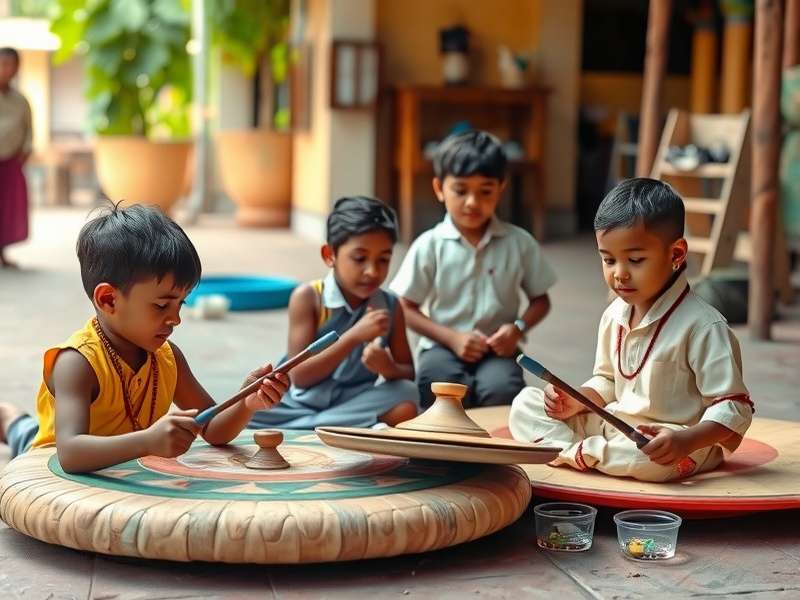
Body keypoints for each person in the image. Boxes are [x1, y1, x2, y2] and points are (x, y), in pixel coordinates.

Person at [0, 203, 288, 473]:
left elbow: (211, 429)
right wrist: (147, 441)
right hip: (51, 463)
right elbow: (71, 454)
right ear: (109, 299)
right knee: (24, 433)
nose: (175, 319)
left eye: (181, 305)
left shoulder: (167, 357)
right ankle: (8, 417)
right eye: (162, 306)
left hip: (120, 471)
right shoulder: (77, 362)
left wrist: (245, 402)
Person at [510, 178, 754, 482]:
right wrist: (576, 399)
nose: (619, 273)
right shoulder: (614, 314)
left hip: (671, 443)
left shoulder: (704, 326)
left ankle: (571, 452)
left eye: (635, 260)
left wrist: (685, 441)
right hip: (614, 425)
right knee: (524, 405)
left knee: (649, 461)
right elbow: (607, 380)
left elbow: (734, 405)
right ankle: (591, 453)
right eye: (608, 260)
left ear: (676, 254)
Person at [390, 130, 556, 408]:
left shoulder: (519, 243)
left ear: (501, 187)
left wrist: (517, 329)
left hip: (497, 350)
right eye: (460, 190)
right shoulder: (430, 245)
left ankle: (488, 450)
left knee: (503, 391)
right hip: (441, 346)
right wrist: (452, 338)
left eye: (485, 191)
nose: (472, 202)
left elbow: (541, 300)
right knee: (439, 389)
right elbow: (404, 308)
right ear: (439, 188)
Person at [249, 196, 419, 430]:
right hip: (296, 405)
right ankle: (345, 428)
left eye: (384, 260)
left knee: (407, 396)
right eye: (359, 258)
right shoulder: (309, 297)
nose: (372, 271)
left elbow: (408, 373)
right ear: (330, 255)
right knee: (247, 409)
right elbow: (299, 376)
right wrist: (354, 337)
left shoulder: (390, 305)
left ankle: (315, 428)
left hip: (353, 403)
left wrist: (387, 368)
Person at [0, 47, 32, 269]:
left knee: (7, 208)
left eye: (11, 64)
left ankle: (2, 252)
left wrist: (25, 151)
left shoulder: (21, 101)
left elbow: (28, 130)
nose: (6, 69)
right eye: (2, 64)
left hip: (10, 161)